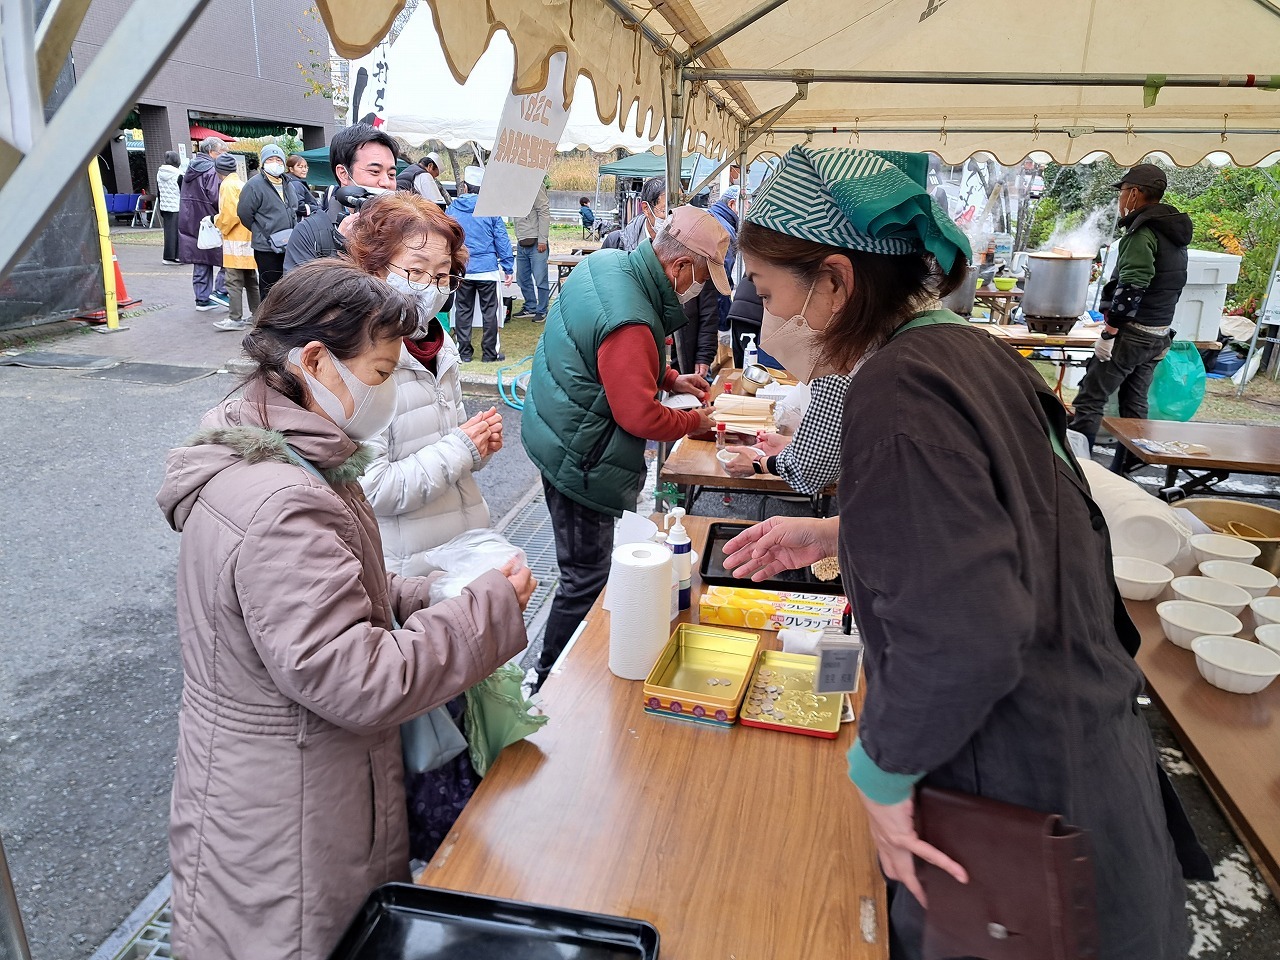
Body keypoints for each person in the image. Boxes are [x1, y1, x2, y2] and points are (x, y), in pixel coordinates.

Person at [721, 145, 1194, 960]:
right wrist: (842, 533)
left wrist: (881, 770)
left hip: (1012, 797)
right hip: (1085, 762)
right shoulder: (968, 352)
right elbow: (1009, 526)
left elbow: (969, 633)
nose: (761, 316)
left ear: (834, 282)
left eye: (766, 291)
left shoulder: (895, 389)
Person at [156, 259, 535, 960]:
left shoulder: (297, 456)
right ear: (315, 362)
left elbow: (337, 591)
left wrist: (427, 593)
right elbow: (353, 678)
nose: (386, 393)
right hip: (293, 813)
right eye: (382, 373)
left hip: (279, 789)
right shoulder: (282, 500)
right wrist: (483, 611)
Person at [521, 206, 730, 690]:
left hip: (558, 431)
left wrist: (673, 377)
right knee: (585, 577)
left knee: (582, 571)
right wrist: (694, 420)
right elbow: (637, 414)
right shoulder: (632, 317)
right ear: (679, 267)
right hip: (583, 459)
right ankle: (548, 678)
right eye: (702, 277)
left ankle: (556, 669)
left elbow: (613, 358)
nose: (699, 289)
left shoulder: (609, 264)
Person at [346, 191, 500, 573]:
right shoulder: (361, 357)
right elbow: (372, 488)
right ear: (374, 268)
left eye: (442, 274)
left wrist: (476, 446)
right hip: (407, 570)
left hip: (460, 548)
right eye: (415, 271)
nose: (430, 286)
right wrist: (463, 448)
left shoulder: (437, 343)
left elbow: (445, 446)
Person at [1068, 163, 1193, 452]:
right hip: (1159, 332)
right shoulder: (1172, 232)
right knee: (1134, 404)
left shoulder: (1143, 233)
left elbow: (1134, 285)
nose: (1120, 199)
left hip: (1134, 333)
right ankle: (1131, 467)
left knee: (1090, 399)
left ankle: (1080, 471)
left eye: (1122, 192)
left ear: (1135, 193)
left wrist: (1110, 333)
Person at [284, 123, 399, 270]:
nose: (386, 183)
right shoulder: (309, 233)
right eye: (375, 171)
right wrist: (341, 250)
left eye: (392, 175)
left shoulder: (406, 226)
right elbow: (298, 292)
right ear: (343, 174)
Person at [719, 372, 852, 495]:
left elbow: (809, 470)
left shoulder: (836, 382)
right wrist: (791, 443)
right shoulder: (828, 376)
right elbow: (786, 407)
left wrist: (759, 463)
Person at [447, 166, 514, 362]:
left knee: (463, 311)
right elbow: (501, 238)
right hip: (487, 269)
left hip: (463, 268)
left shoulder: (452, 208)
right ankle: (489, 353)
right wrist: (508, 266)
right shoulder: (490, 209)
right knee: (490, 313)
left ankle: (464, 352)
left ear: (465, 187)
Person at [237, 145, 298, 299]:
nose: (275, 163)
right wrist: (260, 230)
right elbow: (244, 213)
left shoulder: (287, 183)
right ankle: (266, 321)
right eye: (271, 159)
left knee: (289, 284)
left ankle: (284, 320)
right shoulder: (254, 185)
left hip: (288, 242)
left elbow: (293, 208)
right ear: (263, 162)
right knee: (269, 287)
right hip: (266, 246)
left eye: (279, 160)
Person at [177, 136, 230, 312]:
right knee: (227, 257)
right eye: (222, 152)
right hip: (210, 219)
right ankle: (221, 290)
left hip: (191, 219)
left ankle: (202, 298)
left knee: (200, 258)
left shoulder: (191, 168)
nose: (224, 155)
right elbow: (216, 197)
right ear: (212, 152)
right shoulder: (211, 170)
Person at [211, 153, 259, 332]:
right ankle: (256, 314)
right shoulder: (240, 183)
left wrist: (218, 223)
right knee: (251, 279)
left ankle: (235, 317)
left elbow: (230, 215)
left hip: (234, 239)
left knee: (233, 280)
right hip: (248, 238)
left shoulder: (227, 185)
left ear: (218, 171)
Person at [513, 180, 551, 323]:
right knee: (522, 278)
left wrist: (542, 239)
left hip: (536, 241)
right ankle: (530, 306)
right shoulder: (516, 188)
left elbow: (544, 211)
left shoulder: (535, 184)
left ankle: (542, 309)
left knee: (540, 278)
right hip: (522, 240)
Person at [707, 184, 742, 331]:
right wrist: (723, 321)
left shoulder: (712, 217)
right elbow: (722, 276)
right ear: (732, 204)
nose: (747, 211)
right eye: (746, 206)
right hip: (713, 304)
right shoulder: (725, 231)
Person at [616, 176, 667, 251]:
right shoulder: (617, 242)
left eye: (681, 209)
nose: (674, 217)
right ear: (646, 208)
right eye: (665, 211)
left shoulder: (688, 243)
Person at [157, 150, 182, 263]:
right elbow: (184, 192)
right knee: (176, 232)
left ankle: (169, 256)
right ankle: (172, 257)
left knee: (168, 232)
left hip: (164, 205)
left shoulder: (160, 173)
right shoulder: (178, 174)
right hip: (176, 206)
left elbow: (159, 191)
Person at [284, 153, 315, 219]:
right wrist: (316, 209)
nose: (304, 170)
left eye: (306, 167)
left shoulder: (289, 181)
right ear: (291, 169)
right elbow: (299, 206)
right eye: (300, 167)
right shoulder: (295, 183)